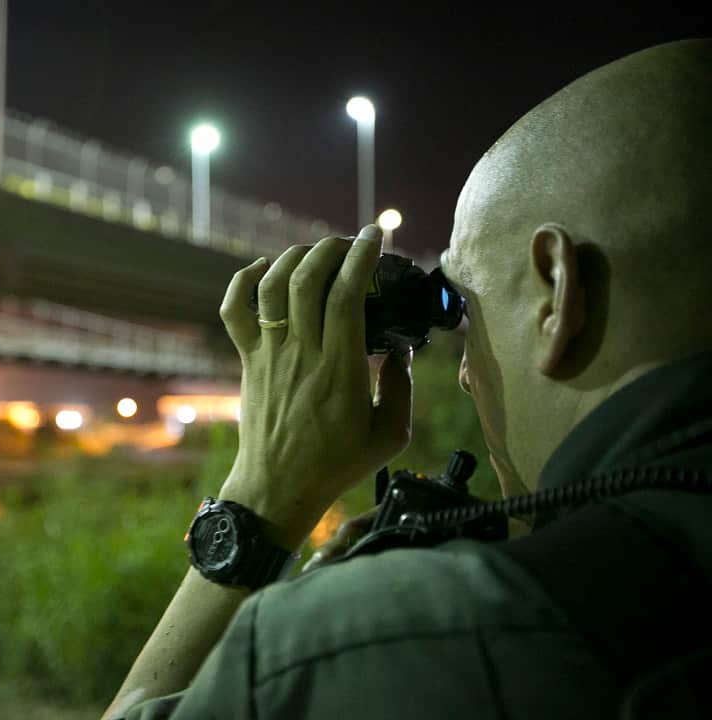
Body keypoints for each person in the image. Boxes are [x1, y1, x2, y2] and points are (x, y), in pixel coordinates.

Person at [103, 38, 712, 719]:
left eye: (464, 313)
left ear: (554, 292)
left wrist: (260, 500)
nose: (464, 377)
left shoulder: (409, 644)